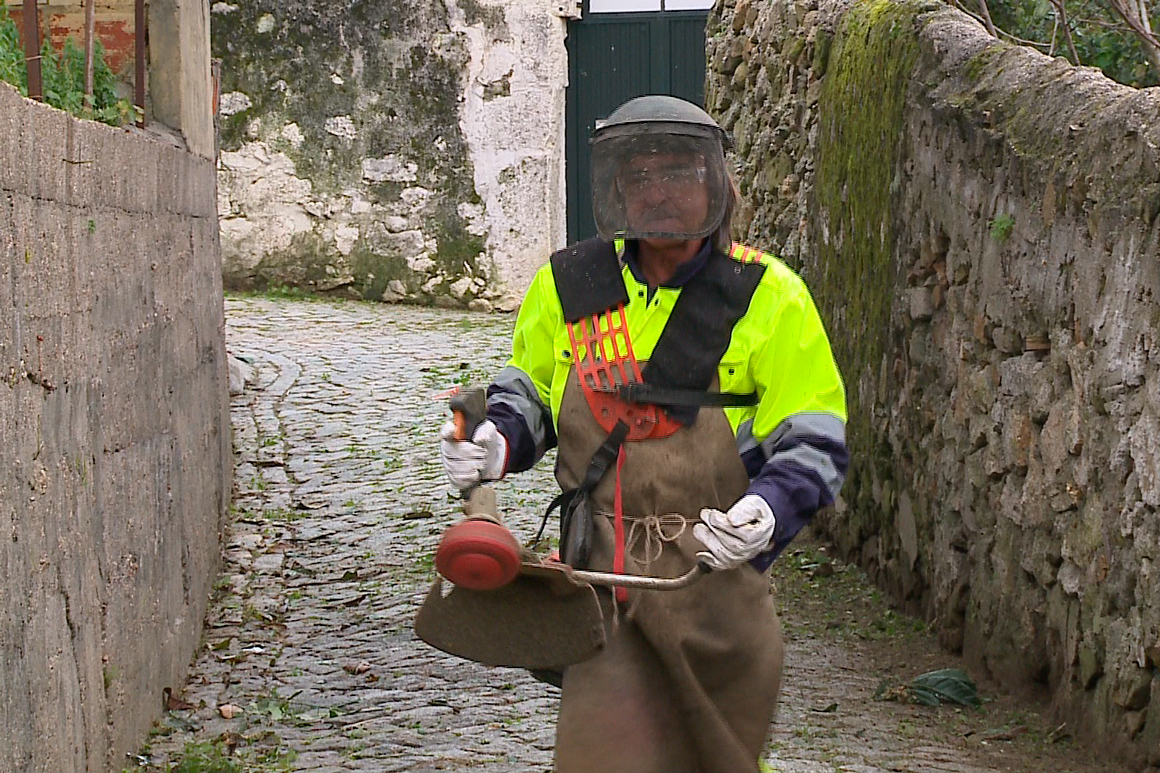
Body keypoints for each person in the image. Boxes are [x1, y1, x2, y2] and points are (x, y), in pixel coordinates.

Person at [438, 94, 848, 773]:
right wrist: (497, 439)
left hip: (718, 586)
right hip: (605, 589)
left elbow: (815, 436)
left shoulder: (770, 295)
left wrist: (770, 509)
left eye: (678, 173)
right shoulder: (568, 284)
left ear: (713, 182)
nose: (658, 192)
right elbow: (528, 391)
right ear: (616, 187)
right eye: (640, 175)